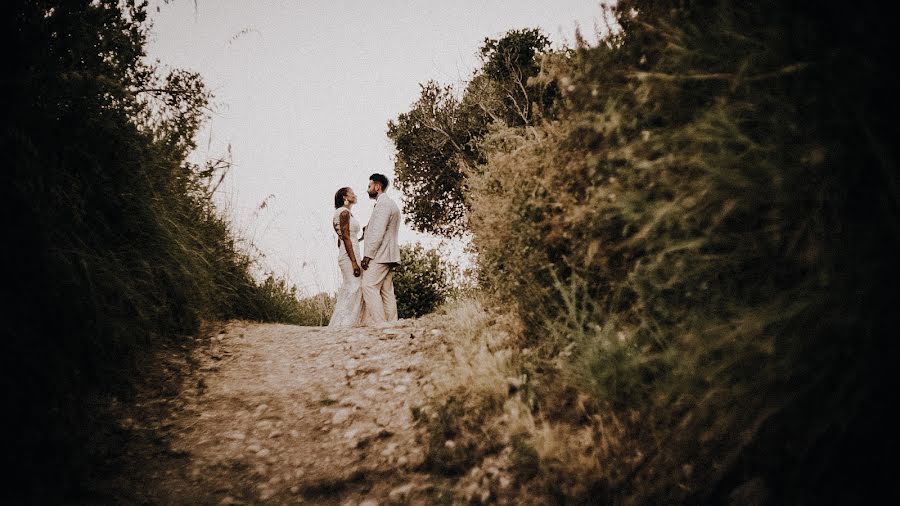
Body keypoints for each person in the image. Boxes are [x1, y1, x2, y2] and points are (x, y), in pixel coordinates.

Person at [361, 173, 400, 324]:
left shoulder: (383, 205)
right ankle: (392, 323)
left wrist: (367, 256)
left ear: (377, 187)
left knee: (368, 286)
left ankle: (380, 324)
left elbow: (378, 233)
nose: (368, 189)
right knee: (386, 291)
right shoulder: (390, 204)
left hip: (380, 255)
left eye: (369, 186)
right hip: (389, 255)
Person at [327, 187, 365, 327]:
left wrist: (361, 238)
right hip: (350, 257)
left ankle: (345, 323)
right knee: (355, 287)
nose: (355, 195)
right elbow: (346, 238)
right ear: (345, 198)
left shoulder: (343, 213)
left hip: (348, 253)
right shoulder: (343, 213)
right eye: (352, 193)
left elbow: (341, 240)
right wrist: (354, 263)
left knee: (351, 287)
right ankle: (344, 324)